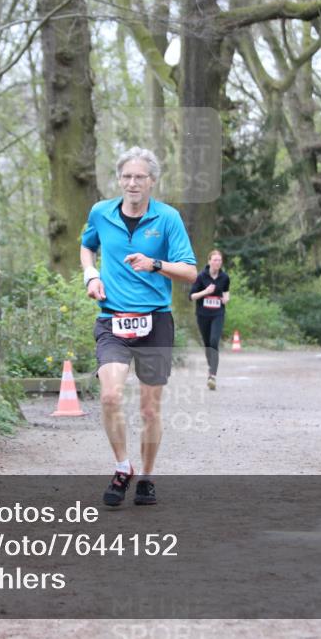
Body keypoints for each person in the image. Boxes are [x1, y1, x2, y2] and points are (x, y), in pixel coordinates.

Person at [80, 146, 197, 507]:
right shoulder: (101, 212)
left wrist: (155, 264)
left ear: (152, 181)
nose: (132, 183)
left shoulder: (168, 219)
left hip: (155, 322)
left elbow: (191, 272)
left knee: (149, 409)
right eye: (127, 176)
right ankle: (122, 467)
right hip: (112, 319)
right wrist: (91, 275)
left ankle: (146, 476)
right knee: (111, 395)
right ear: (119, 180)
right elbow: (87, 247)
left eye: (140, 177)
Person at [190, 249, 230, 390]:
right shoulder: (201, 277)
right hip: (203, 314)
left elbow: (226, 292)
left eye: (219, 260)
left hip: (218, 313)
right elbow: (192, 296)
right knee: (207, 344)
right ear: (209, 261)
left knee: (214, 341)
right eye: (215, 260)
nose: (217, 262)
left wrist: (226, 299)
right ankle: (210, 368)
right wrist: (206, 292)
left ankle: (212, 375)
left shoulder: (225, 277)